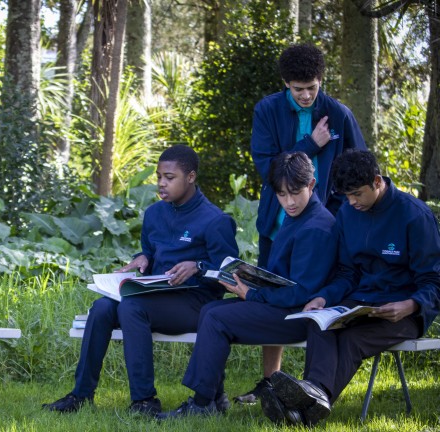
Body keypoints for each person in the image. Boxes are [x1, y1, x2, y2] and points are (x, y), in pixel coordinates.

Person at [42, 145, 239, 416]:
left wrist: (198, 266)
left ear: (191, 177)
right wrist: (141, 259)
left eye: (169, 178)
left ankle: (144, 401)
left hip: (195, 302)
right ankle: (81, 395)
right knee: (101, 308)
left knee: (131, 308)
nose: (161, 183)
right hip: (155, 294)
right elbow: (150, 250)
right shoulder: (155, 213)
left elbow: (229, 273)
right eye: (159, 176)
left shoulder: (215, 220)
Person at [259, 150, 440, 426]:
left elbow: (433, 281)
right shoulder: (347, 211)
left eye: (357, 194)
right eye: (347, 196)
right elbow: (347, 272)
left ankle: (303, 408)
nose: (352, 202)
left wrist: (410, 305)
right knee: (320, 322)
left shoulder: (415, 216)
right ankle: (308, 403)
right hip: (358, 302)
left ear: (377, 181)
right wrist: (324, 297)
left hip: (402, 311)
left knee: (352, 340)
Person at [157, 151, 337, 420]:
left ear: (311, 185)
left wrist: (251, 293)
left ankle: (203, 402)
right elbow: (284, 276)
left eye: (295, 193)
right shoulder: (297, 216)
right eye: (281, 195)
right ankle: (214, 398)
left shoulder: (316, 227)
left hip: (298, 315)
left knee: (216, 316)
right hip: (281, 304)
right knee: (211, 310)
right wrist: (251, 278)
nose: (288, 202)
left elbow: (302, 292)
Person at [241, 42, 367, 403]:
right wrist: (309, 144)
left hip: (324, 228)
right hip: (276, 225)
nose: (308, 95)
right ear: (285, 84)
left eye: (313, 87)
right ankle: (270, 382)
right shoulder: (266, 110)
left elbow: (356, 165)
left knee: (320, 297)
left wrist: (342, 212)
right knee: (272, 297)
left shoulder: (339, 113)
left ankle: (316, 387)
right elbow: (266, 167)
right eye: (299, 89)